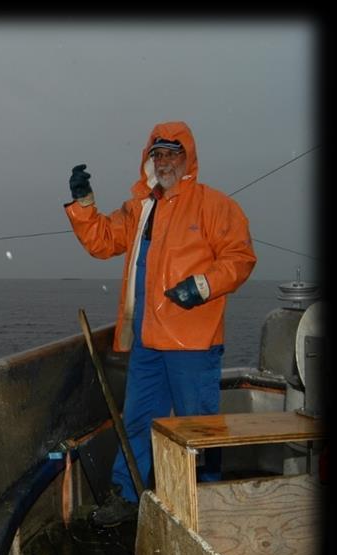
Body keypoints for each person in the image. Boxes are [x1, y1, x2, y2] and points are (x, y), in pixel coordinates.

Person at [65, 121, 257, 527]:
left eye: (173, 153)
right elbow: (102, 241)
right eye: (158, 153)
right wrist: (83, 204)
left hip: (193, 341)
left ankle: (204, 503)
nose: (165, 160)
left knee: (197, 428)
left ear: (188, 159)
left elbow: (240, 258)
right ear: (148, 161)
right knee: (137, 421)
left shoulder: (213, 205)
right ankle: (128, 495)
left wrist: (202, 285)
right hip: (147, 342)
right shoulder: (138, 209)